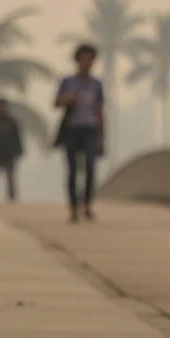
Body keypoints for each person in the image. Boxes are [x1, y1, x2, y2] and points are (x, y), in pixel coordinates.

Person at [55, 43, 104, 223]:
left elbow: (99, 111)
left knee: (90, 167)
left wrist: (102, 137)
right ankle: (74, 207)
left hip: (91, 130)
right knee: (73, 169)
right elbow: (56, 102)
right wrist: (69, 98)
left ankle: (88, 204)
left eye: (89, 59)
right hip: (72, 130)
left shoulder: (96, 84)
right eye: (83, 59)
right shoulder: (68, 82)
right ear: (77, 61)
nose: (86, 62)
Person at [0, 98, 24, 202]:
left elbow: (17, 137)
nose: (2, 108)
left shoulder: (11, 122)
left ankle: (12, 199)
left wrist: (19, 150)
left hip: (8, 154)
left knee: (10, 179)